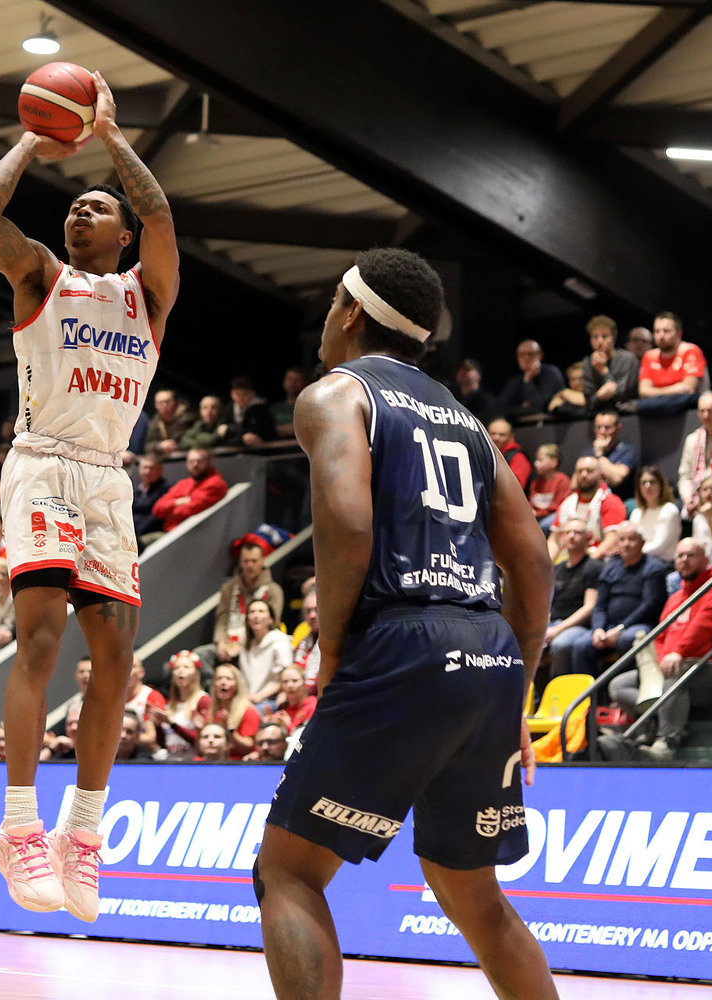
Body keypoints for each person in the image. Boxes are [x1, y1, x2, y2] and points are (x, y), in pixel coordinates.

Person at [254, 248, 557, 1000]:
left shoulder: (337, 394)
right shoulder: (468, 421)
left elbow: (349, 521)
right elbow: (534, 564)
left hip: (401, 641)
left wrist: (330, 649)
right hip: (487, 649)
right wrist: (515, 689)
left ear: (352, 311)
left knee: (288, 871)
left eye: (332, 302)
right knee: (472, 894)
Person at [0, 69, 179, 923]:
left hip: (106, 477)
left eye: (97, 208)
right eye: (74, 207)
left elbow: (162, 217)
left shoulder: (147, 294)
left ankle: (80, 834)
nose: (79, 214)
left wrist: (111, 137)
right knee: (43, 639)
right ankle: (19, 827)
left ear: (123, 235)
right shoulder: (42, 277)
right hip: (43, 463)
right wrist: (33, 139)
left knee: (117, 659)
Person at [610, 539, 712, 761]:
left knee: (677, 672)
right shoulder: (676, 598)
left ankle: (667, 742)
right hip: (678, 668)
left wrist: (679, 652)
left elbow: (704, 626)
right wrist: (662, 660)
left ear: (705, 559)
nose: (684, 560)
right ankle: (662, 719)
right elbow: (660, 636)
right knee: (619, 685)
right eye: (680, 556)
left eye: (691, 555)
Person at [571, 522, 667, 677]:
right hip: (609, 626)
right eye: (622, 540)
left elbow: (650, 605)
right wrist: (598, 629)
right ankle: (591, 692)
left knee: (628, 639)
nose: (626, 544)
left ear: (642, 542)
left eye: (631, 539)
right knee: (581, 645)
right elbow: (599, 605)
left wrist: (622, 628)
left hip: (640, 624)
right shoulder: (610, 567)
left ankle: (623, 688)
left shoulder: (654, 567)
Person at [544, 519, 602, 678]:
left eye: (577, 533)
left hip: (579, 626)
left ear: (588, 538)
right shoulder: (556, 569)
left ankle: (561, 690)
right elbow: (548, 605)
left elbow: (589, 607)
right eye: (567, 532)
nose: (571, 536)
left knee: (561, 644)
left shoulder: (594, 566)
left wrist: (557, 629)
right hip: (553, 623)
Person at [547, 456, 626, 561]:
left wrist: (584, 566)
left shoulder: (611, 502)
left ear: (601, 475)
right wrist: (547, 565)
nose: (584, 475)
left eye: (589, 471)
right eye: (580, 471)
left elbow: (612, 539)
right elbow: (554, 541)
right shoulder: (567, 503)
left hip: (596, 562)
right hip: (566, 562)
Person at [636, 312, 706, 417]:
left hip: (687, 409)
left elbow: (688, 388)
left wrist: (655, 392)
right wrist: (674, 389)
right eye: (657, 331)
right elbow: (643, 391)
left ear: (679, 334)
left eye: (666, 331)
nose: (661, 336)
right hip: (656, 408)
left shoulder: (690, 350)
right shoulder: (649, 356)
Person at [150, 448, 228, 534]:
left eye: (199, 461)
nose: (195, 464)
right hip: (171, 532)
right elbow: (157, 509)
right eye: (191, 461)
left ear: (208, 462)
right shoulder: (184, 483)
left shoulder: (215, 484)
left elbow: (188, 511)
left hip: (194, 534)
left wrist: (169, 511)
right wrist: (177, 502)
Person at [581, 314, 640, 404]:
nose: (600, 341)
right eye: (595, 337)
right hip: (598, 410)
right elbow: (588, 402)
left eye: (604, 336)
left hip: (624, 410)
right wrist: (598, 397)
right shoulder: (587, 362)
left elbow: (623, 395)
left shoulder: (628, 359)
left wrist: (603, 370)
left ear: (613, 338)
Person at [497, 339, 564, 415]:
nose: (526, 358)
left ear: (540, 355)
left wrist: (528, 381)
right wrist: (522, 408)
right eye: (522, 354)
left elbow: (541, 405)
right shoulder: (516, 380)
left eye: (531, 354)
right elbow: (501, 408)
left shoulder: (551, 374)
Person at [632, 466, 682, 564]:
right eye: (643, 483)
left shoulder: (669, 510)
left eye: (652, 482)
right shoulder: (636, 512)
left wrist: (631, 551)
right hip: (639, 560)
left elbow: (659, 546)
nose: (648, 486)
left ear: (661, 486)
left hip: (663, 562)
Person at [584, 409, 639, 499]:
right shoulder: (587, 454)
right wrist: (612, 469)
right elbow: (575, 484)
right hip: (593, 501)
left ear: (618, 429)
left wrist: (599, 453)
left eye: (607, 428)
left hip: (621, 500)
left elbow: (616, 479)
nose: (602, 432)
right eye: (598, 427)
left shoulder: (627, 451)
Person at [526, 444, 570, 532]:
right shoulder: (536, 483)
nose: (536, 464)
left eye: (540, 460)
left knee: (544, 525)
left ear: (554, 462)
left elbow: (561, 506)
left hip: (553, 517)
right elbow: (532, 504)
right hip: (537, 517)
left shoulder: (562, 481)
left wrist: (538, 513)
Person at [485, 418, 531, 492]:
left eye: (502, 435)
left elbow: (515, 488)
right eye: (493, 433)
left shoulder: (518, 457)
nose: (496, 438)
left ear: (511, 437)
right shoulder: (486, 454)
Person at [452, 359, 496, 424]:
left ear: (479, 375)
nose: (463, 371)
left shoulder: (485, 400)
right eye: (460, 369)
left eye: (468, 369)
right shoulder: (453, 399)